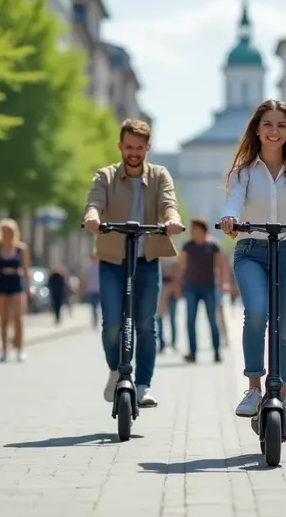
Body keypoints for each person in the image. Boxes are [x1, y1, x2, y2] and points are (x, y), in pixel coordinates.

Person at [218, 99, 286, 423]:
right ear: (257, 129)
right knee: (256, 312)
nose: (274, 131)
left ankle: (285, 395)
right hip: (251, 250)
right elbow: (234, 200)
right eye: (267, 124)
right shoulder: (243, 171)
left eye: (281, 125)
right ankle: (254, 387)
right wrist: (229, 217)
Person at [83, 118, 184, 408]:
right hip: (113, 259)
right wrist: (92, 216)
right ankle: (116, 371)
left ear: (148, 148)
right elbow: (95, 201)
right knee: (111, 324)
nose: (133, 153)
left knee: (146, 324)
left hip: (147, 259)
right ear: (120, 146)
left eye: (139, 148)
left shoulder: (160, 175)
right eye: (128, 147)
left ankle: (143, 385)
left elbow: (168, 203)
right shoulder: (106, 176)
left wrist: (172, 220)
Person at [173, 219, 229, 363]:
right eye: (192, 230)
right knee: (190, 320)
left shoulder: (213, 246)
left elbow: (221, 266)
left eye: (196, 230)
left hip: (209, 287)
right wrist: (177, 285)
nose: (193, 233)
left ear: (204, 231)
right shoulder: (188, 246)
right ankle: (192, 352)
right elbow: (181, 266)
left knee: (212, 320)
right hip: (191, 287)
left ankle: (217, 351)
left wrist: (223, 284)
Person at [0, 219, 30, 362]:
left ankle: (20, 348)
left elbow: (26, 269)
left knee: (18, 318)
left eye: (10, 231)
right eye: (5, 231)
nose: (8, 234)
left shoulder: (21, 248)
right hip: (2, 282)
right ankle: (4, 349)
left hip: (16, 282)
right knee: (3, 319)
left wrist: (28, 287)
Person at [156, 256, 179, 352]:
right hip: (161, 287)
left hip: (172, 287)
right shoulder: (158, 256)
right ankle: (161, 342)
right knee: (159, 317)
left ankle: (173, 342)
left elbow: (177, 274)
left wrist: (176, 288)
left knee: (173, 318)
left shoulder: (175, 257)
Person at [80, 251, 101, 329]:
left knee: (95, 307)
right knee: (94, 307)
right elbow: (85, 280)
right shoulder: (90, 269)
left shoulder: (96, 268)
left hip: (96, 290)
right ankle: (95, 320)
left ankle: (95, 320)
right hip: (93, 290)